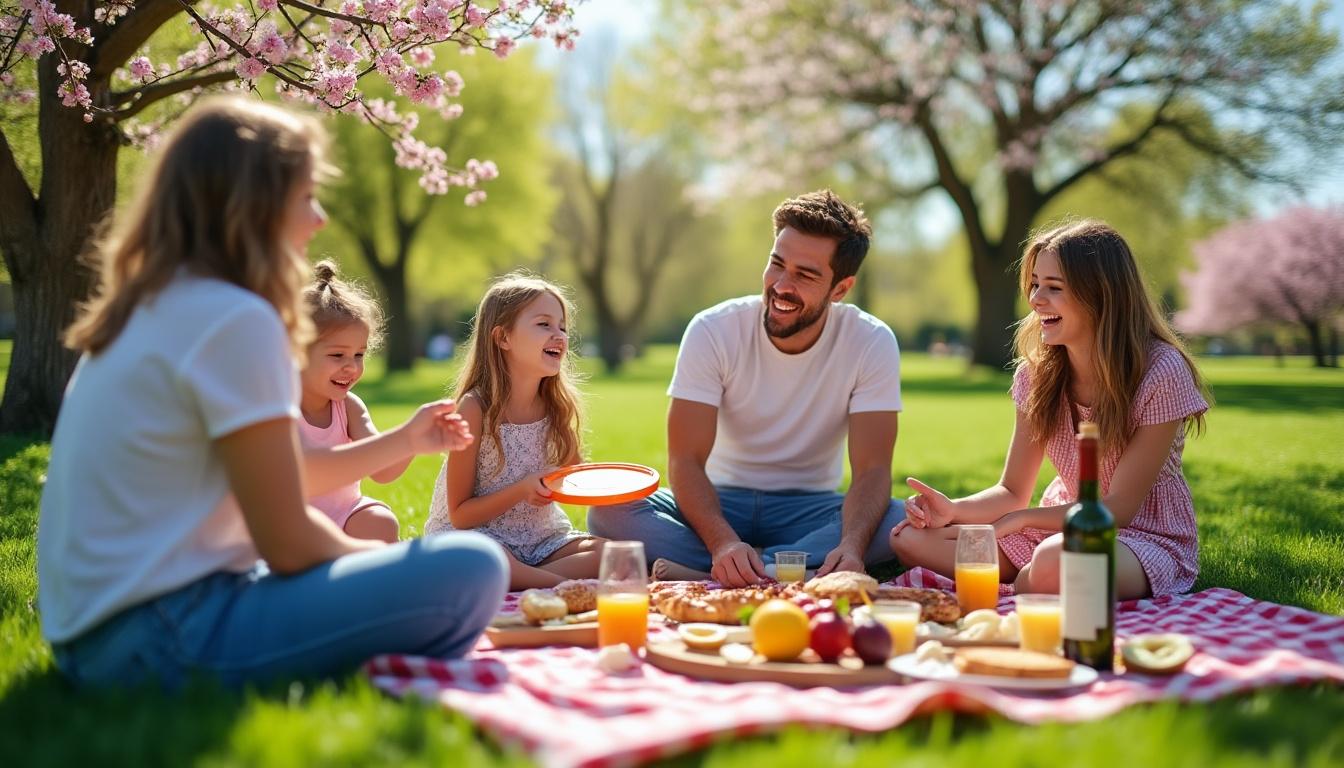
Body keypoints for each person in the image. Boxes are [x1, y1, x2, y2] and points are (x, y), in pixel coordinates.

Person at [37, 97, 508, 690]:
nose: (318, 220)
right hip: (162, 633)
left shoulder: (150, 308)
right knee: (472, 568)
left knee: (433, 572)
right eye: (306, 196)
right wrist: (389, 572)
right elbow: (287, 541)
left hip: (88, 635)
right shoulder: (235, 318)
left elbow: (275, 495)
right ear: (252, 202)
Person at [588, 189, 906, 587]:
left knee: (899, 519)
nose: (781, 285)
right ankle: (774, 569)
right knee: (609, 508)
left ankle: (729, 571)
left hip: (810, 508)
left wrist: (854, 543)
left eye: (805, 275)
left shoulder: (871, 340)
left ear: (840, 289)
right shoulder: (713, 330)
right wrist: (722, 543)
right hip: (718, 502)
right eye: (777, 264)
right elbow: (685, 459)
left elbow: (873, 469)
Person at [890, 220, 1210, 600]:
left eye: (1054, 288)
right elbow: (1011, 490)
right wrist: (951, 510)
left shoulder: (1161, 371)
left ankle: (1023, 582)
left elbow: (1118, 510)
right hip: (1056, 528)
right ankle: (1030, 580)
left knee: (1053, 563)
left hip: (1142, 539)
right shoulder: (1035, 375)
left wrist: (1020, 520)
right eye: (1035, 284)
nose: (1036, 299)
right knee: (909, 539)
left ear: (1101, 297)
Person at [425, 273, 607, 589]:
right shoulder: (475, 409)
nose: (559, 335)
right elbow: (460, 515)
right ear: (503, 338)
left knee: (606, 553)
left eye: (562, 327)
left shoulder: (556, 407)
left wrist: (609, 483)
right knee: (485, 559)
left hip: (541, 542)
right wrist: (522, 489)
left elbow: (577, 475)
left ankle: (538, 582)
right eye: (544, 324)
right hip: (477, 538)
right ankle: (567, 587)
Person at [298, 260, 402, 543]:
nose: (352, 367)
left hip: (344, 514)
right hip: (293, 520)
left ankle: (355, 575)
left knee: (380, 522)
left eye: (359, 355)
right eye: (337, 356)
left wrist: (413, 440)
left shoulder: (349, 407)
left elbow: (382, 471)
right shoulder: (280, 408)